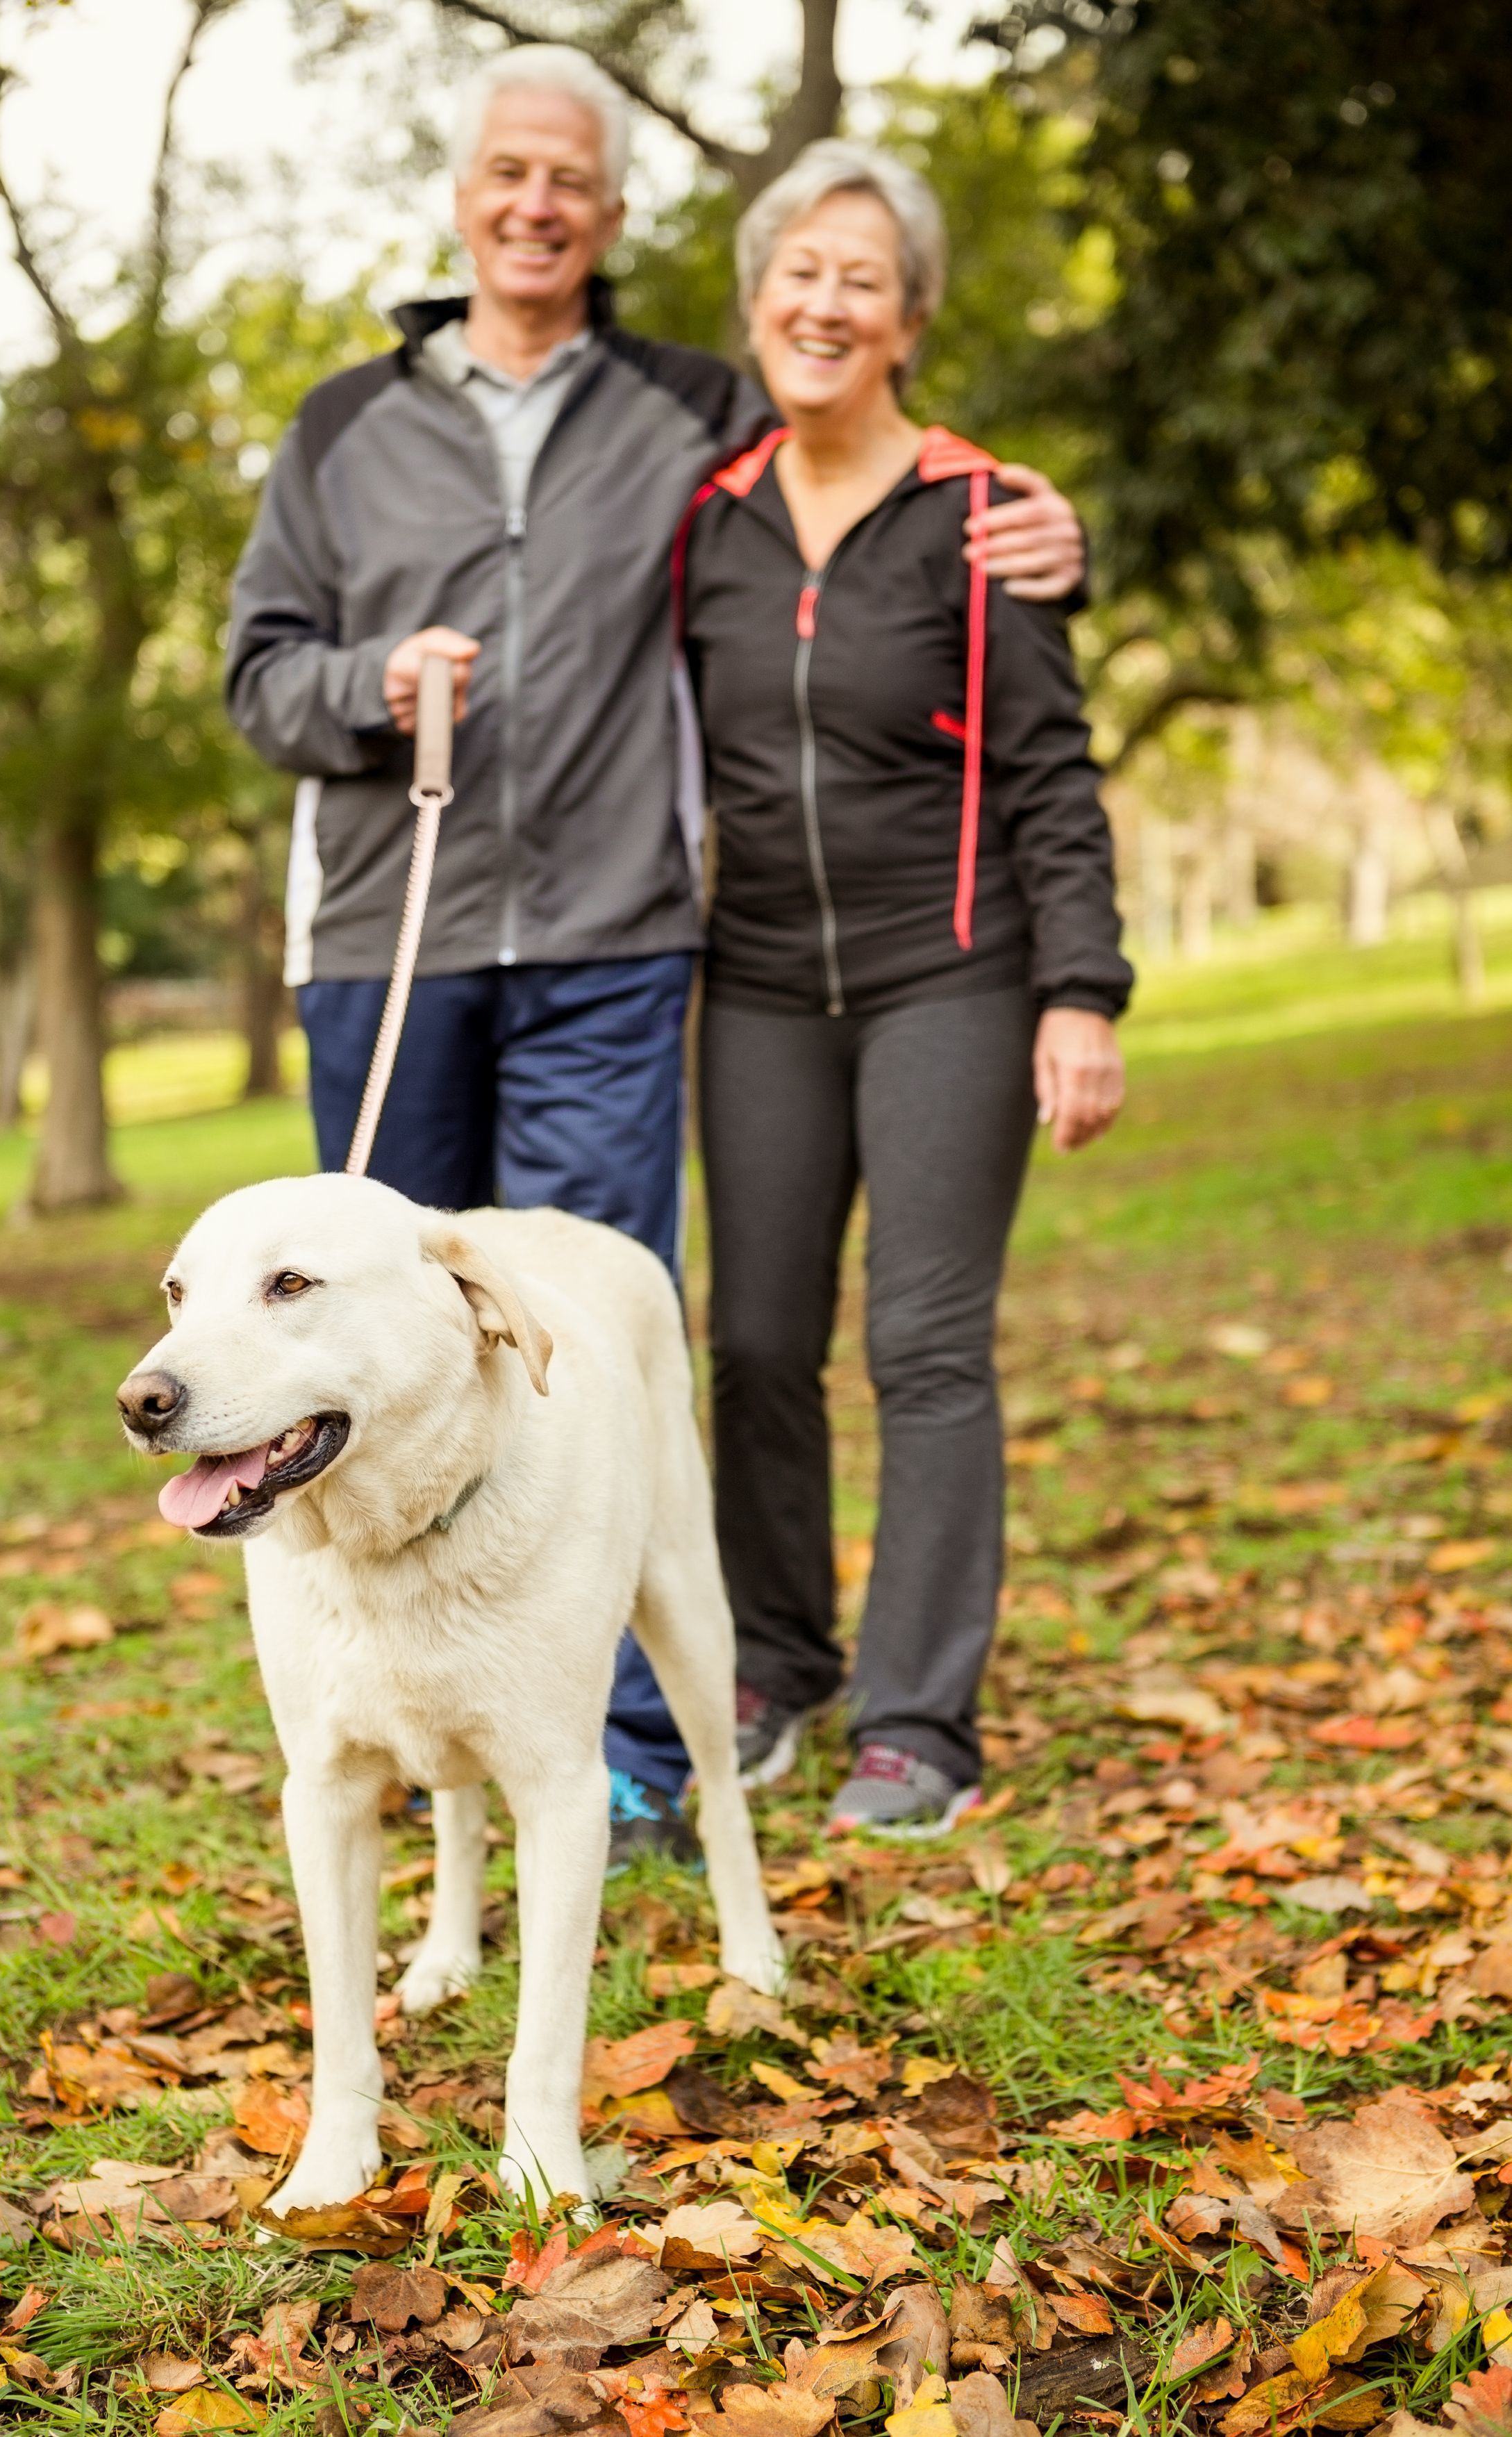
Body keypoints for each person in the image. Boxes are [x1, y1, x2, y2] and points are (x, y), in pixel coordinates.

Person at [225, 52, 1090, 1862]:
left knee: (588, 1359)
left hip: (626, 951)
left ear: (613, 223)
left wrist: (1054, 532)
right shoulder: (341, 430)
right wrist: (361, 687)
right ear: (464, 196)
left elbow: (894, 486)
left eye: (575, 182)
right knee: (374, 1351)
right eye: (508, 172)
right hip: (410, 947)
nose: (538, 204)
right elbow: (256, 676)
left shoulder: (687, 413)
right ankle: (387, 1723)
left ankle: (628, 1742)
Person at [680, 140, 1133, 1834]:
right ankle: (772, 1658)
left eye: (860, 278)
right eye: (800, 269)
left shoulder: (980, 515)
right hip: (762, 986)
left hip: (951, 973)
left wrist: (1075, 990)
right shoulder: (705, 524)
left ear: (908, 318)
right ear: (756, 297)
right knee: (753, 1339)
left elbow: (1051, 774)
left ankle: (918, 1718)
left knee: (924, 1341)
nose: (824, 300)